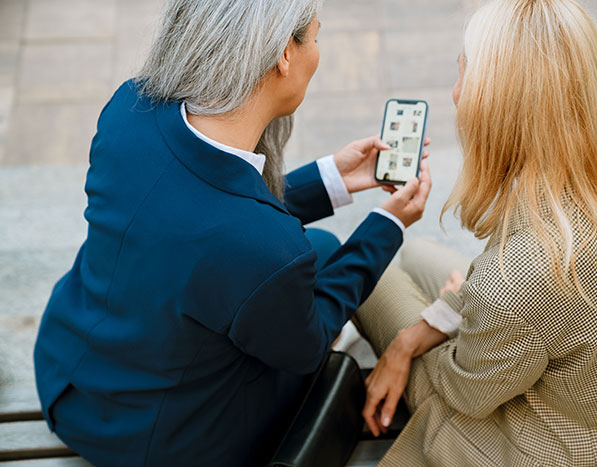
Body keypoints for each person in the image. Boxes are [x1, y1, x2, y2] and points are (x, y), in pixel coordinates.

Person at [32, 1, 431, 466]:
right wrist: (388, 226)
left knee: (311, 252)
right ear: (285, 53)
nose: (317, 51)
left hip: (66, 379)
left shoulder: (129, 110)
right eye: (316, 37)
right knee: (318, 256)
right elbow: (305, 344)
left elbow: (198, 218)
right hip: (156, 445)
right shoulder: (266, 249)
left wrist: (332, 179)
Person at [356, 0, 597, 466]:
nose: (456, 94)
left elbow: (467, 392)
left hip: (553, 449)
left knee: (372, 268)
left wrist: (439, 331)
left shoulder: (513, 279)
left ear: (499, 106)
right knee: (418, 251)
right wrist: (446, 315)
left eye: (463, 76)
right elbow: (524, 298)